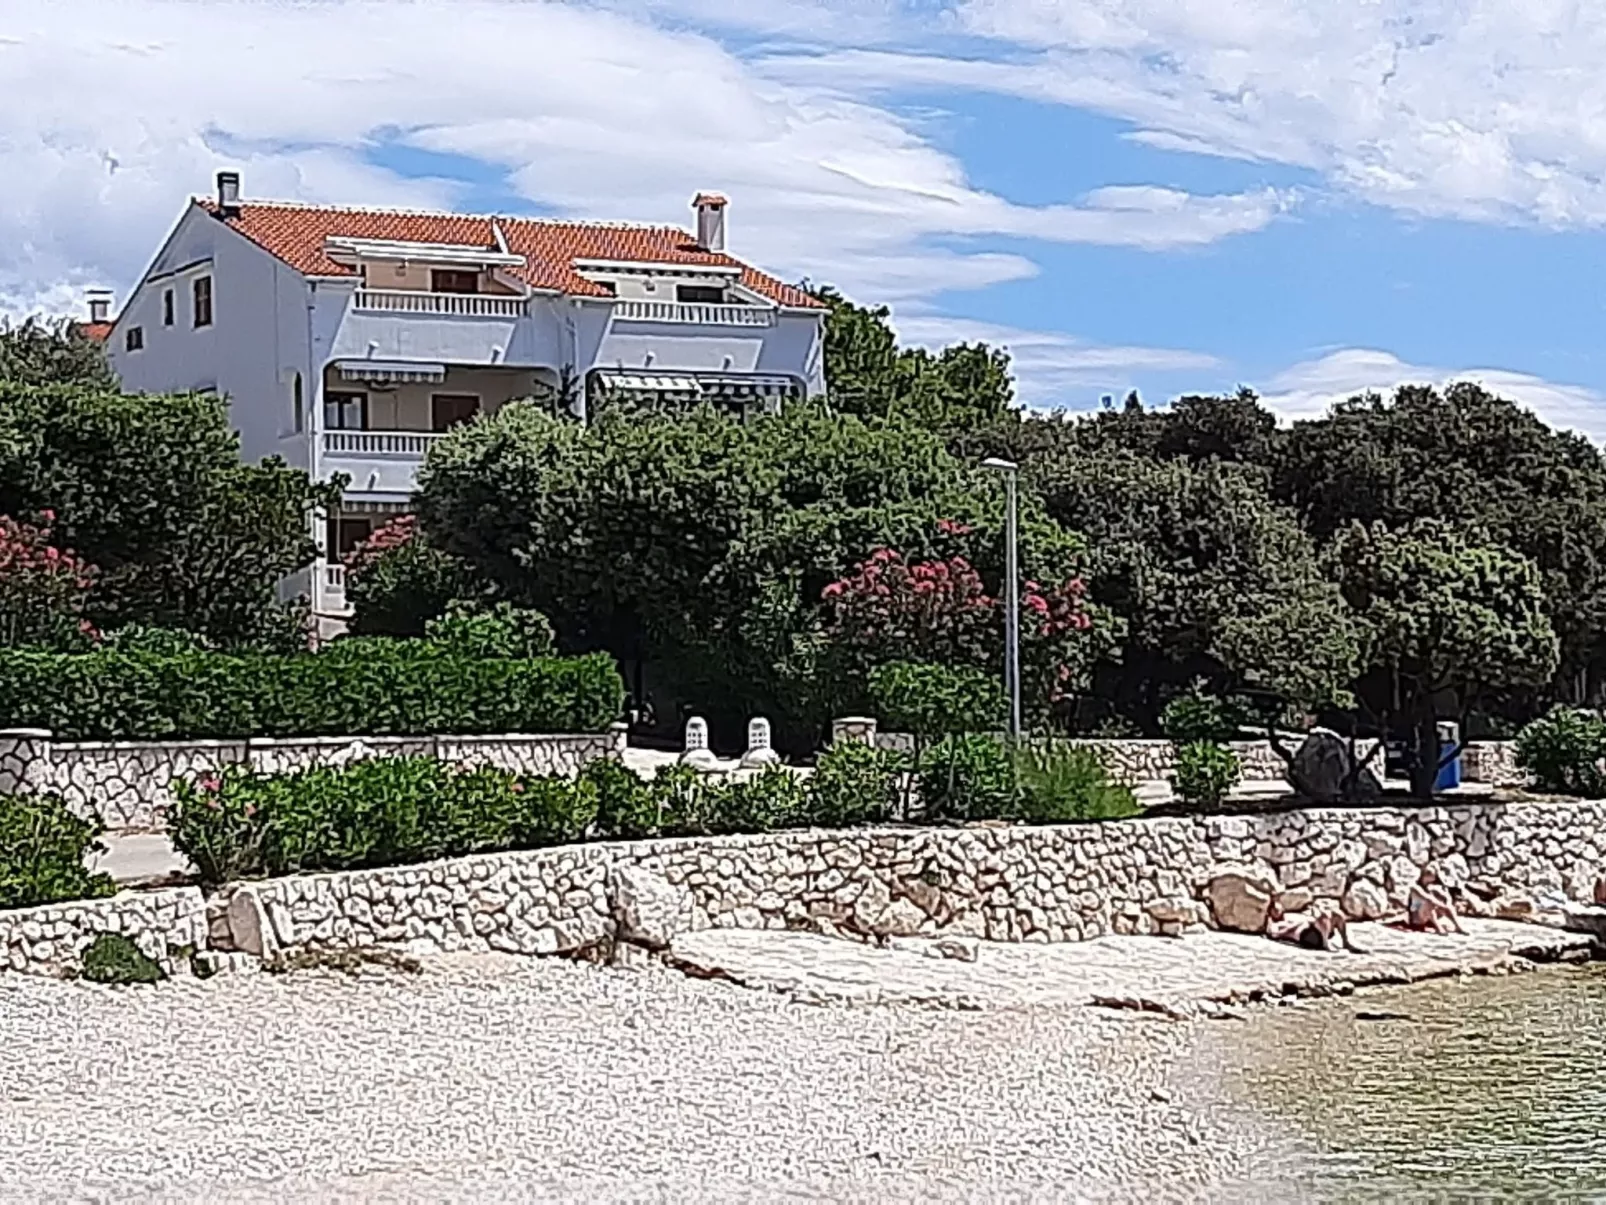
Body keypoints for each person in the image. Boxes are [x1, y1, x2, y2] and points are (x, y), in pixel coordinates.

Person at [1406, 867, 1464, 935]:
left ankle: (1458, 927)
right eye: (1434, 876)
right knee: (1429, 903)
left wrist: (1447, 903)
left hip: (1426, 916)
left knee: (1446, 905)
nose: (1435, 878)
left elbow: (1446, 897)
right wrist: (1444, 906)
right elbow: (1428, 898)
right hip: (1417, 917)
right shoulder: (1415, 887)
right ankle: (1439, 928)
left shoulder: (1430, 887)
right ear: (1426, 876)